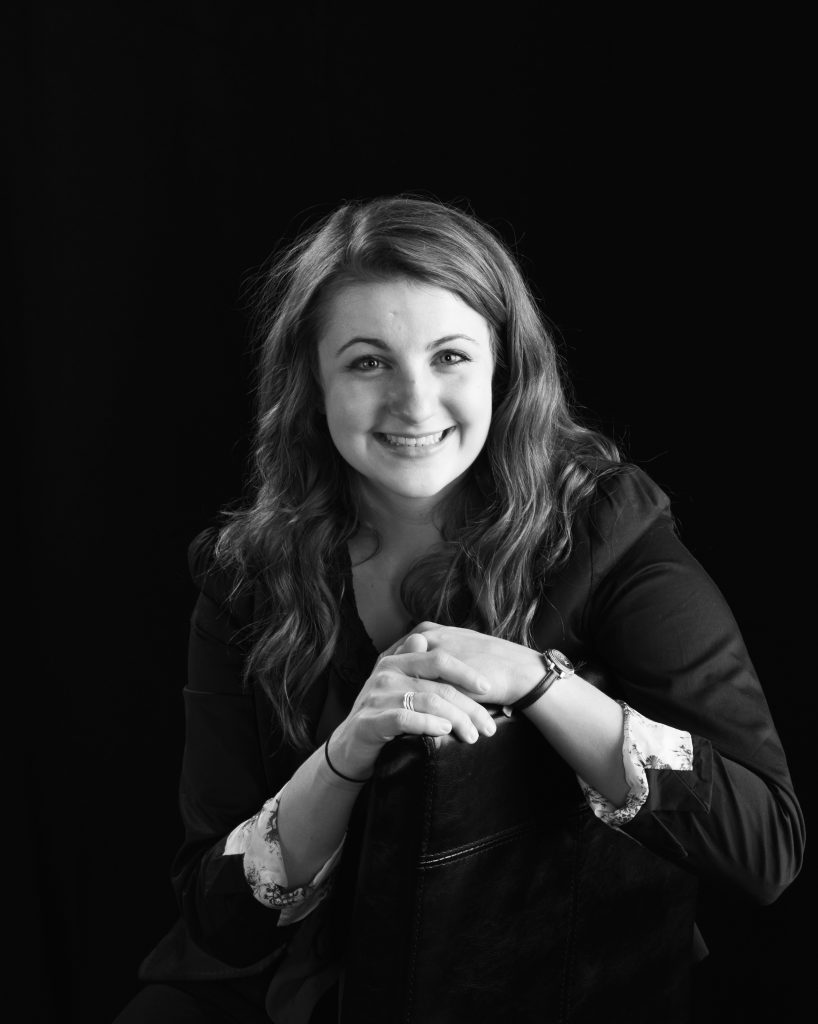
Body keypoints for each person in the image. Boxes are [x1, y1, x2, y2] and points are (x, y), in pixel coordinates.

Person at [115, 196, 804, 1023]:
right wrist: (344, 754)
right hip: (282, 995)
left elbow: (765, 845)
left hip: (541, 990)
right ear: (312, 384)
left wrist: (539, 683)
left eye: (449, 356)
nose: (414, 402)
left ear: (503, 370)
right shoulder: (248, 576)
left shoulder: (606, 534)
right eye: (368, 362)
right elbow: (219, 916)